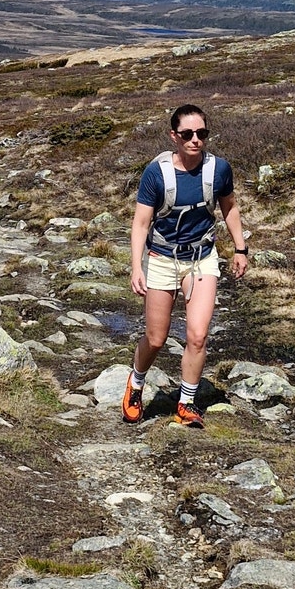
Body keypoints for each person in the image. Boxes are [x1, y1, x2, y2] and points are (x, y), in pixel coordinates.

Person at [125, 103, 249, 428]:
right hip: (162, 259)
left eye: (202, 133)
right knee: (156, 337)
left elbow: (230, 209)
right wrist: (136, 267)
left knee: (197, 336)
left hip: (201, 258)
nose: (196, 140)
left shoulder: (218, 170)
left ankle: (186, 402)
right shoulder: (157, 173)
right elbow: (141, 223)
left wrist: (240, 248)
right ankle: (136, 384)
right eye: (188, 134)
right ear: (174, 136)